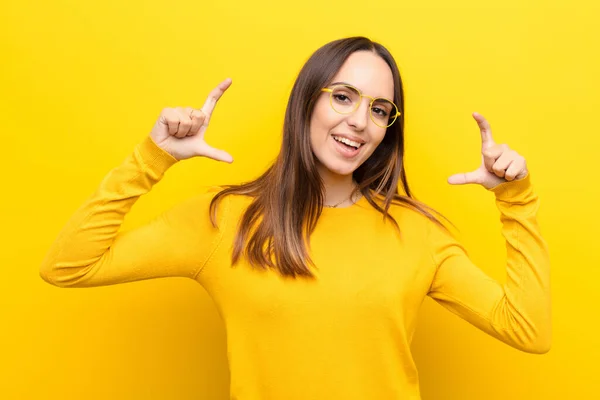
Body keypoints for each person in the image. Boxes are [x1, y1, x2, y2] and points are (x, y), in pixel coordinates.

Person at [40, 36, 551, 399]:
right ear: (306, 101)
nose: (359, 122)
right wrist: (153, 157)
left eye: (379, 109)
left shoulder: (416, 234)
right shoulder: (224, 222)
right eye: (344, 97)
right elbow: (68, 266)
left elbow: (529, 331)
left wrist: (516, 199)